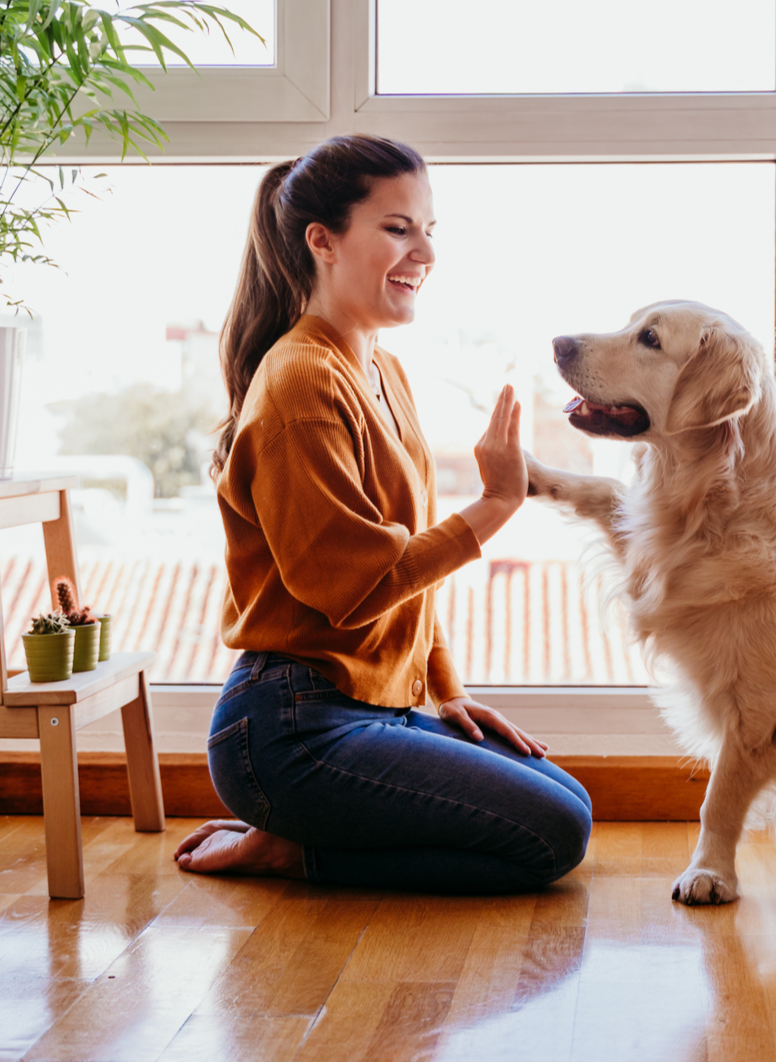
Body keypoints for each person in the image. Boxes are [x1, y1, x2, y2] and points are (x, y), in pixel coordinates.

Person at [173, 135, 593, 893]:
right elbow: (356, 588)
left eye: (430, 230)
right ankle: (289, 849)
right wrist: (498, 503)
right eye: (399, 228)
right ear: (322, 241)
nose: (424, 252)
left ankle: (300, 837)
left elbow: (406, 578)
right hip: (289, 727)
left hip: (374, 706)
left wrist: (445, 688)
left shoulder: (380, 368)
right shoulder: (300, 384)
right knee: (554, 836)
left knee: (570, 802)